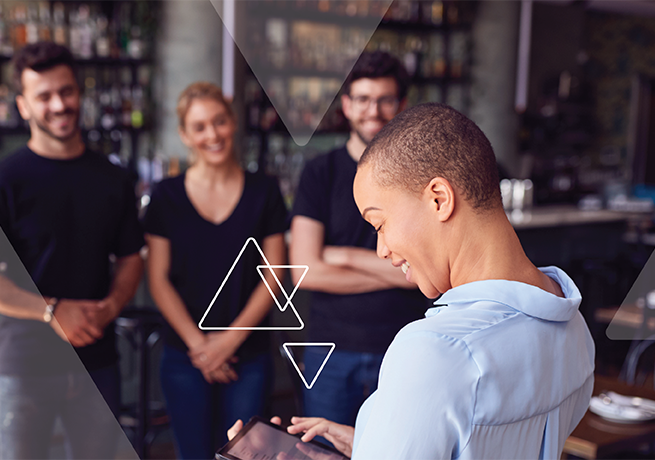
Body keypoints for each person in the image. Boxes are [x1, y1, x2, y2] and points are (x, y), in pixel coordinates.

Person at [230, 103, 595, 459]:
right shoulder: (573, 325)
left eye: (379, 224)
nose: (381, 250)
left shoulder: (435, 351)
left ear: (439, 199)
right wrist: (375, 442)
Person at [0, 42, 144, 460]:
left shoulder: (113, 179)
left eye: (66, 92)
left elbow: (131, 259)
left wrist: (113, 304)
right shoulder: (1, 183)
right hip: (24, 363)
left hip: (98, 359)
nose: (59, 105)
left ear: (79, 93)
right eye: (44, 96)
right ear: (23, 106)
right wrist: (52, 310)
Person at [143, 82, 288, 460]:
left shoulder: (264, 191)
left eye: (219, 122)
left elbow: (275, 275)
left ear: (233, 122)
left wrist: (228, 342)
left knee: (245, 456)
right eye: (200, 126)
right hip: (184, 356)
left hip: (248, 354)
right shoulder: (166, 196)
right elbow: (157, 279)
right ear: (185, 135)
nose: (213, 134)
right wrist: (201, 346)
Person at [288, 50, 429, 428]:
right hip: (330, 350)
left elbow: (427, 276)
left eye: (385, 100)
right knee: (321, 453)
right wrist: (400, 275)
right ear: (347, 105)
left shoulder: (421, 176)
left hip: (404, 345)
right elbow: (305, 273)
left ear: (401, 106)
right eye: (363, 99)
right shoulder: (320, 173)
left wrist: (341, 255)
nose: (374, 110)